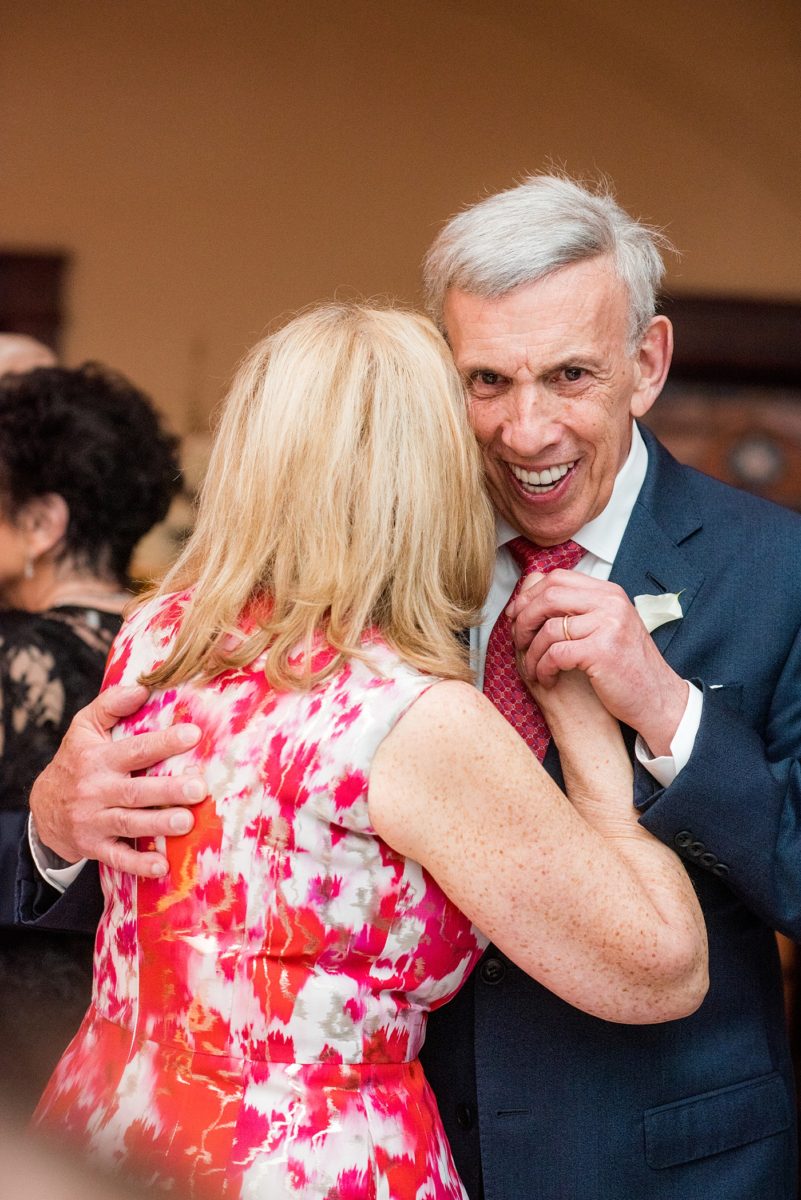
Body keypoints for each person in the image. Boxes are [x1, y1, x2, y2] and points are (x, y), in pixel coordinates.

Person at [17, 175, 800, 1197]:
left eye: (568, 376)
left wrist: (666, 713)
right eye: (486, 382)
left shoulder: (776, 572)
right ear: (443, 384)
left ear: (646, 363)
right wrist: (51, 827)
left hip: (650, 1161)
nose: (525, 432)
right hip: (376, 1140)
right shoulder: (382, 568)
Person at [0, 362, 180, 1115]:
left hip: (19, 1020)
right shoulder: (175, 652)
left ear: (43, 524)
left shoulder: (23, 659)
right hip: (124, 1021)